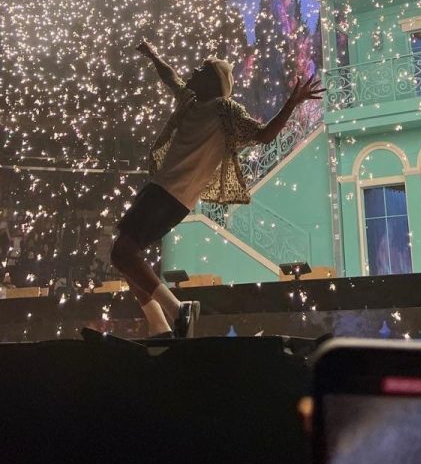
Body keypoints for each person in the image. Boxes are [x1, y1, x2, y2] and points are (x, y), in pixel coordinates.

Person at [110, 40, 323, 338]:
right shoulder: (189, 101)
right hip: (165, 191)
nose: (192, 73)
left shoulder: (225, 110)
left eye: (200, 70)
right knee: (124, 255)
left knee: (123, 252)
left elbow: (262, 135)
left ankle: (175, 311)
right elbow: (170, 76)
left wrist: (291, 103)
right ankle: (159, 327)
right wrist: (153, 55)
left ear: (213, 81)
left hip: (169, 192)